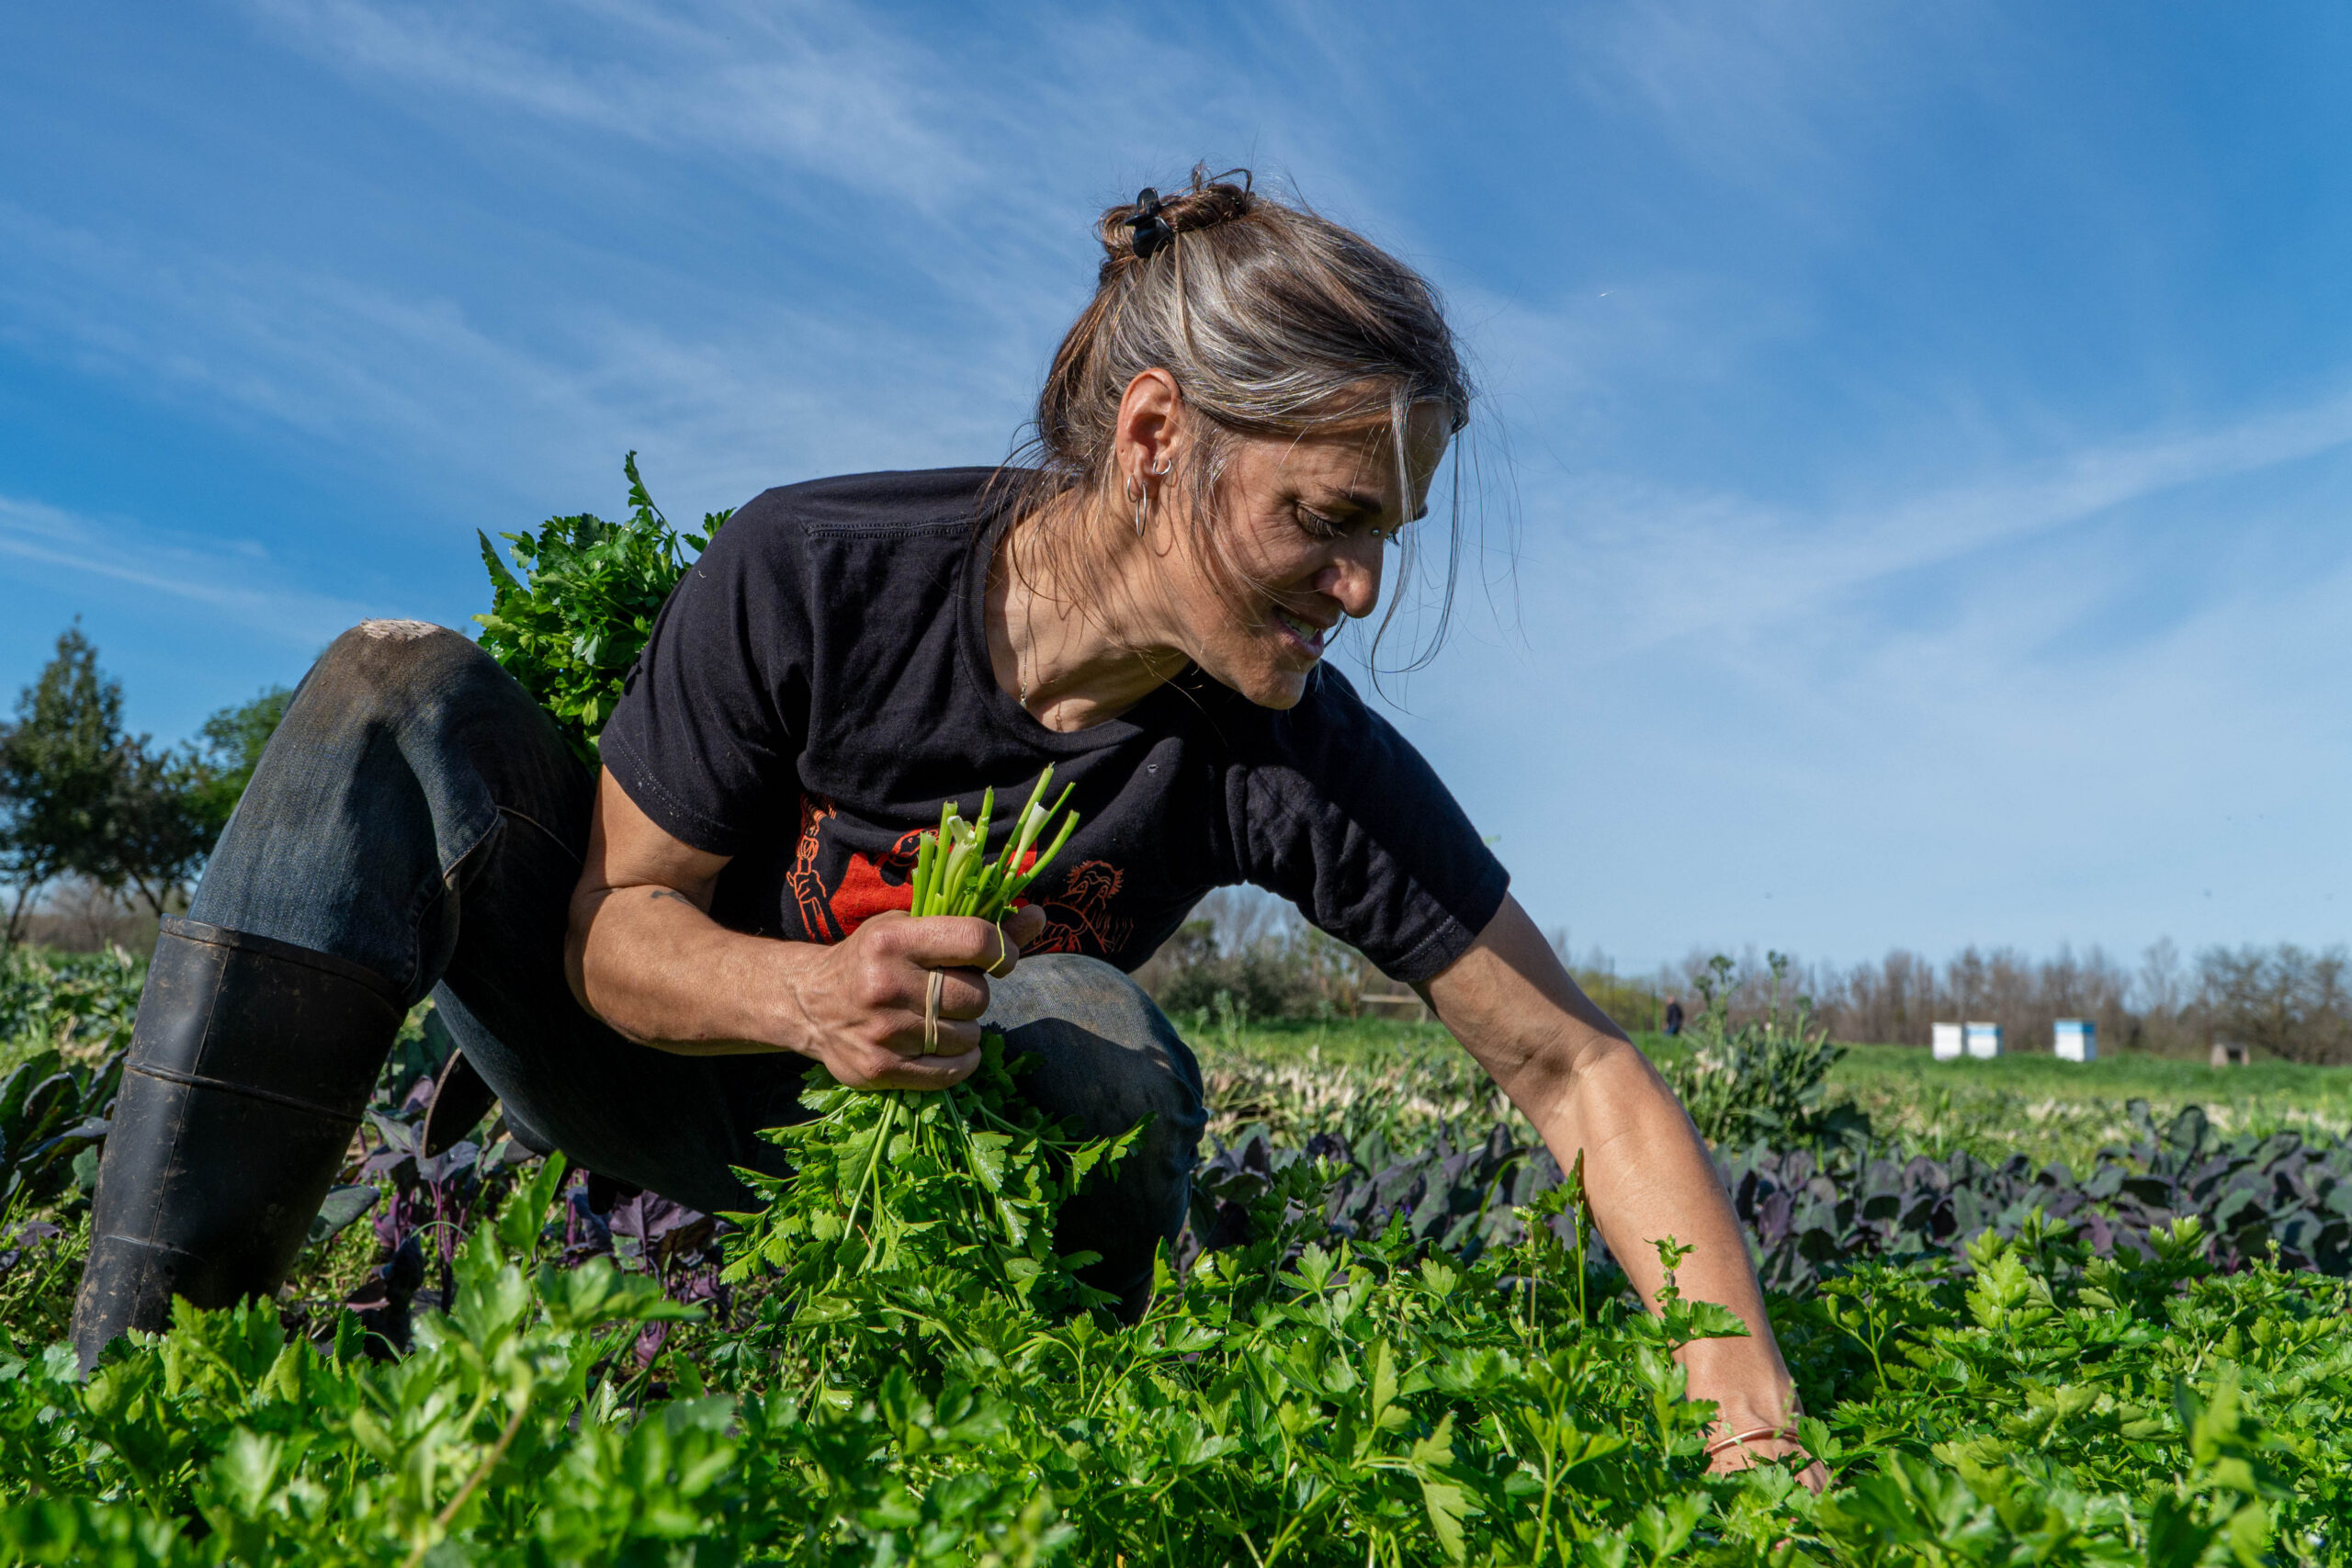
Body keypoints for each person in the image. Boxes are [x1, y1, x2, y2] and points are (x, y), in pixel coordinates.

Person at [72, 169, 1814, 1480]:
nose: (1362, 586)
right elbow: (609, 934)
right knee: (394, 692)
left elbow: (1577, 1070)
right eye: (1329, 520)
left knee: (1087, 1016)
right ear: (1157, 438)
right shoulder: (820, 573)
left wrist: (1748, 1409)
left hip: (950, 1191)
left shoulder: (1283, 748)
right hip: (662, 1074)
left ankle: (1016, 1442)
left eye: (1392, 537)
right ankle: (138, 1394)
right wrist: (810, 998)